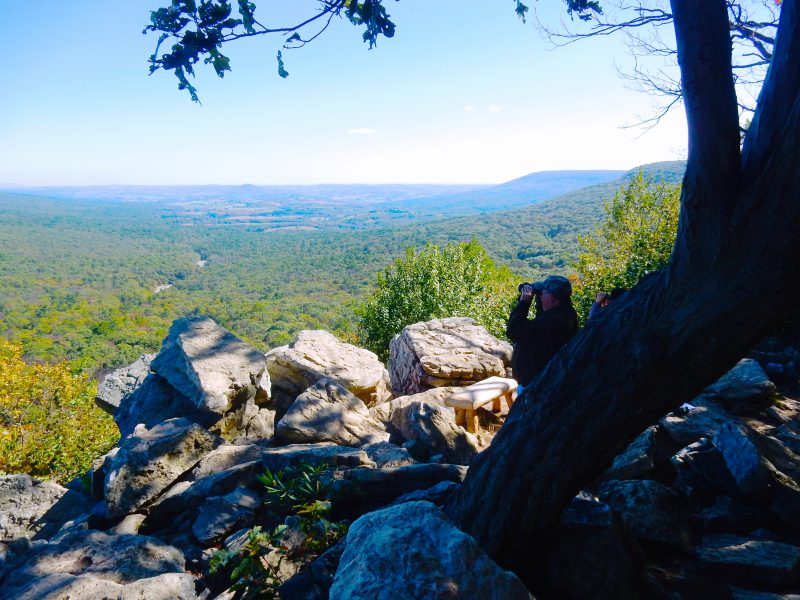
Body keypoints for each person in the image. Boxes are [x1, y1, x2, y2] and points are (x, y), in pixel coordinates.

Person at [506, 275, 578, 390]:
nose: (540, 296)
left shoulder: (551, 321)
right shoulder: (566, 313)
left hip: (536, 387)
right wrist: (539, 296)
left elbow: (513, 331)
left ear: (552, 298)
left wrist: (524, 302)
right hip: (545, 380)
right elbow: (542, 316)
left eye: (542, 293)